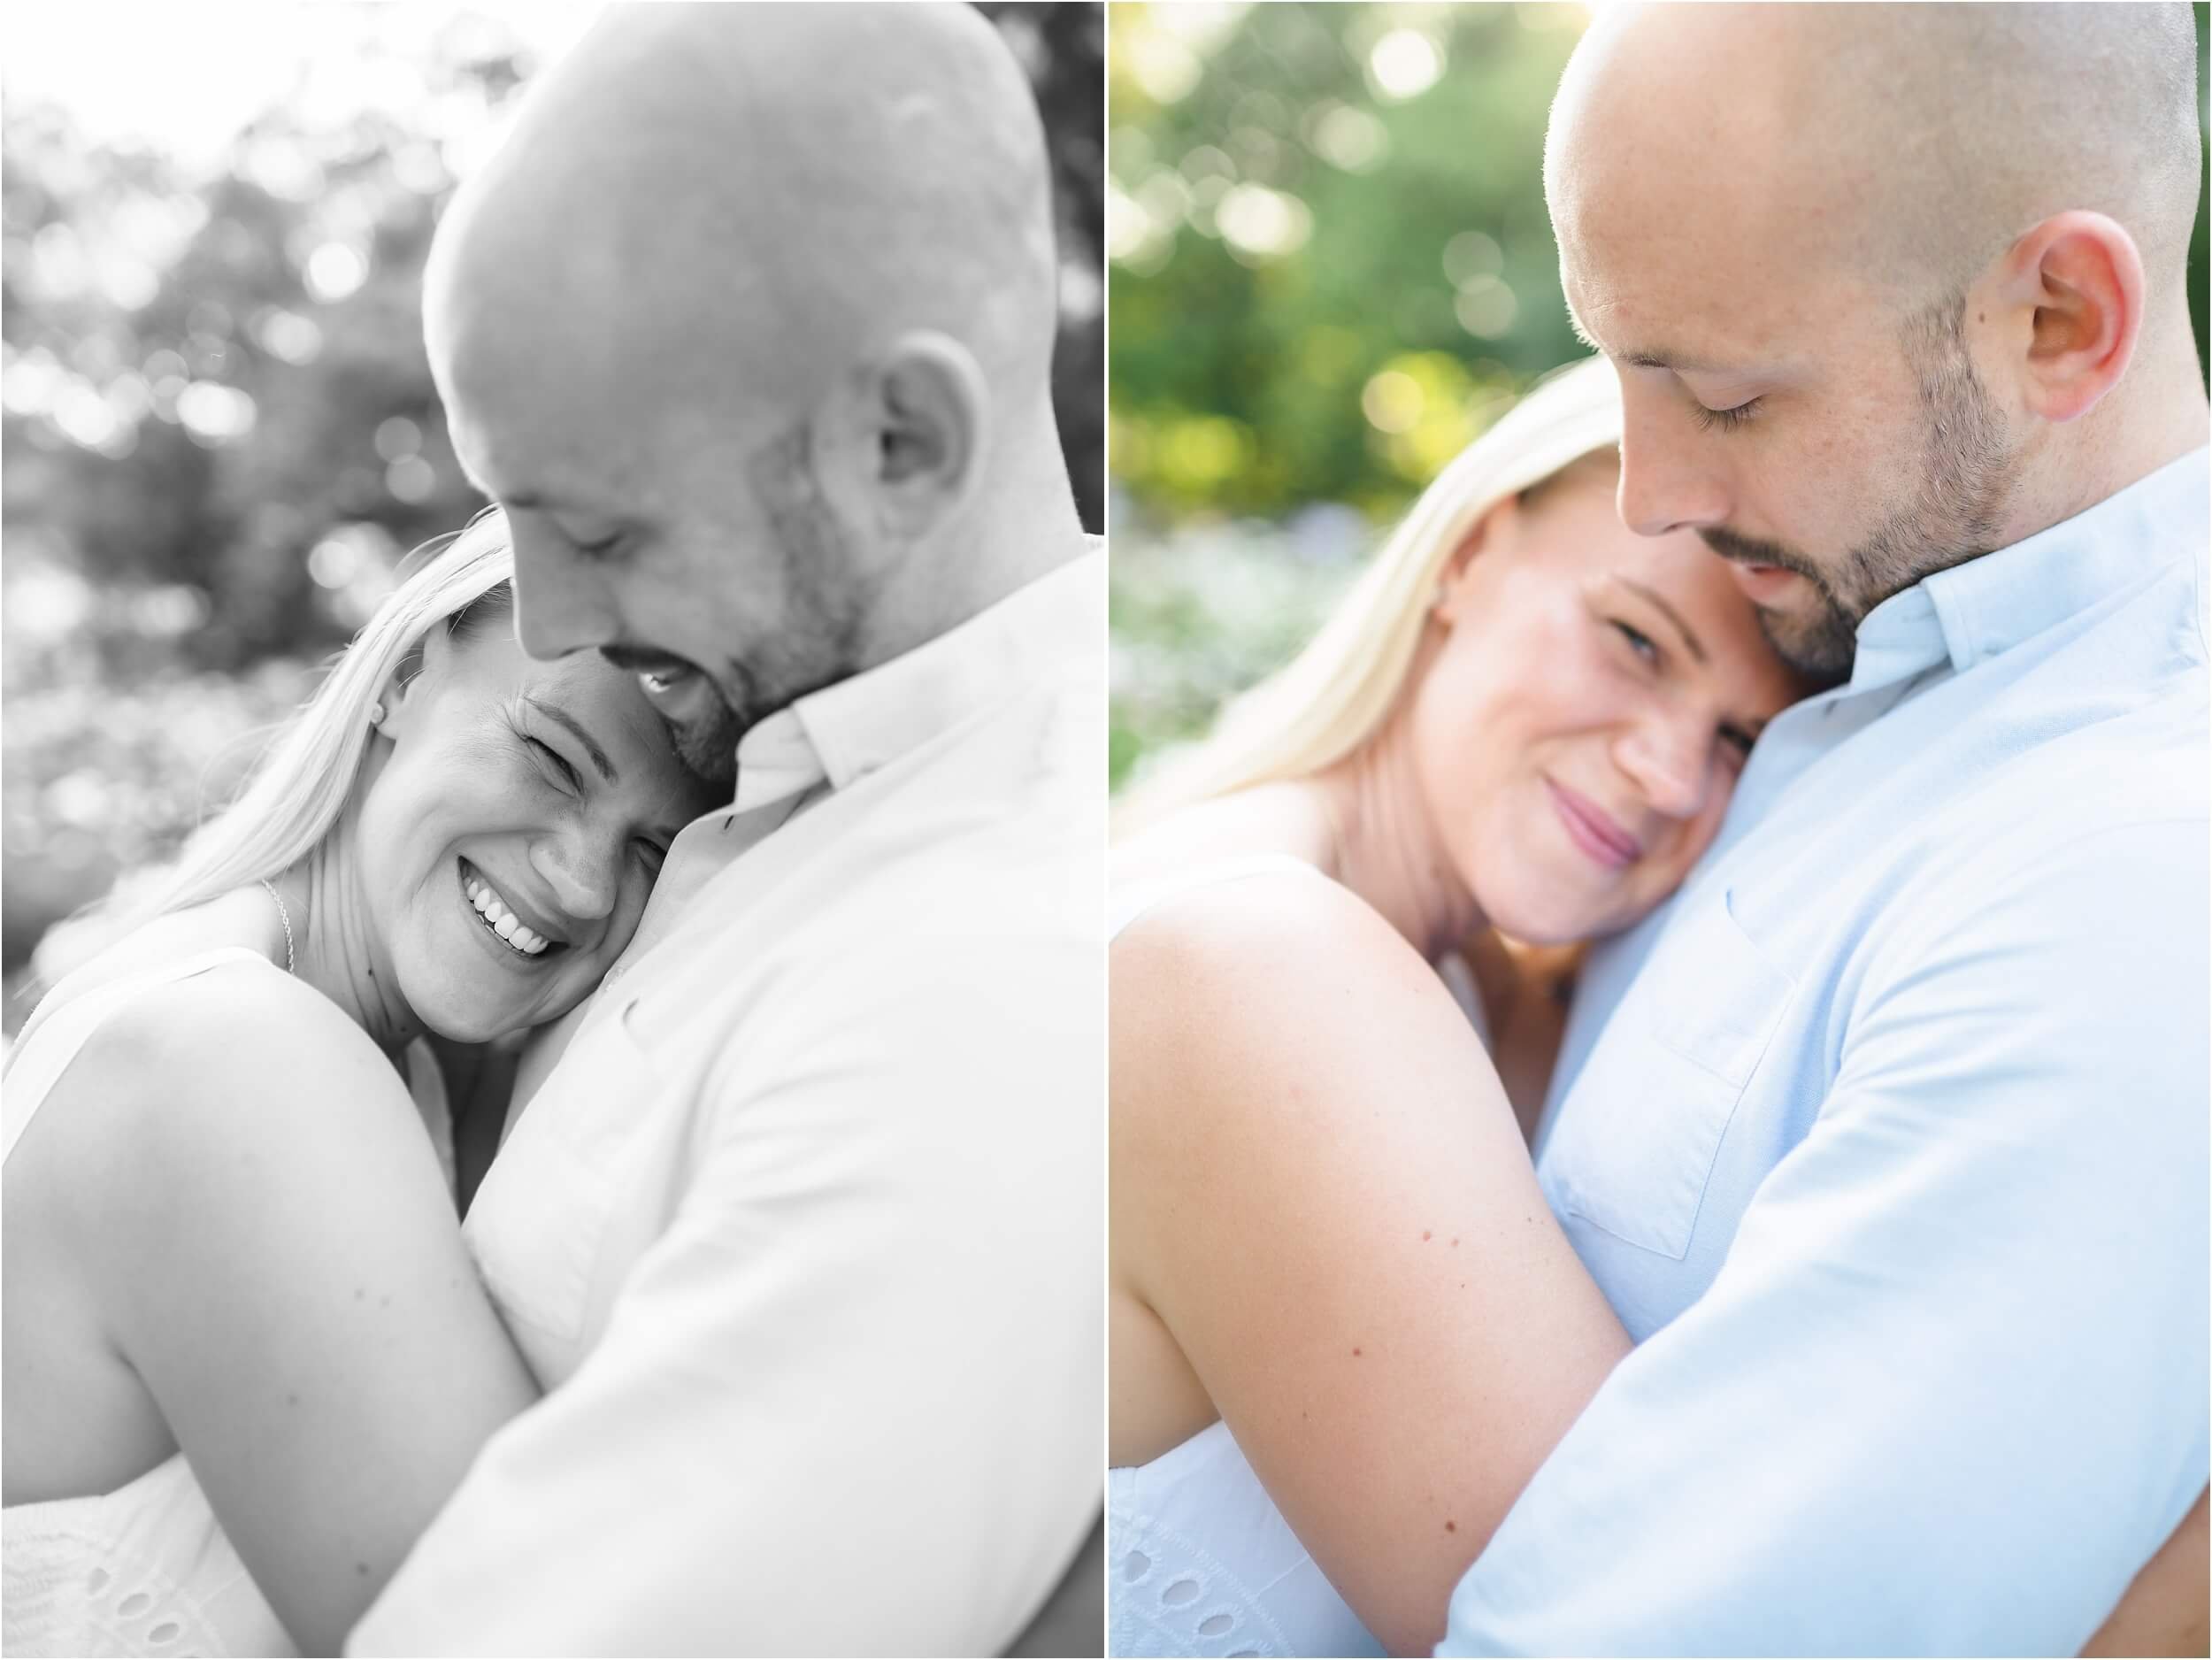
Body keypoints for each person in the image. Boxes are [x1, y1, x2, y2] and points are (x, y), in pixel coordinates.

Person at [1438, 4, 2209, 1653]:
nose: (1647, 494)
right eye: (1615, 363)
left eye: (1723, 397)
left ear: (2059, 321)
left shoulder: (2128, 889)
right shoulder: (1826, 651)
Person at [347, 5, 1104, 1655]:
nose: (542, 620)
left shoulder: (1000, 976)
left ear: (901, 443)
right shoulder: (750, 786)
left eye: (602, 526)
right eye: (507, 514)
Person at [1109, 356, 1807, 1657]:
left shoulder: (1470, 988)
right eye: (1637, 640)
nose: (1668, 774)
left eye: (1741, 743)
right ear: (1470, 556)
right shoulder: (1260, 972)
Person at [2, 511, 717, 1657]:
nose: (585, 886)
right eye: (550, 756)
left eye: (651, 851)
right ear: (396, 680)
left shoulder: (407, 1070)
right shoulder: (231, 1062)